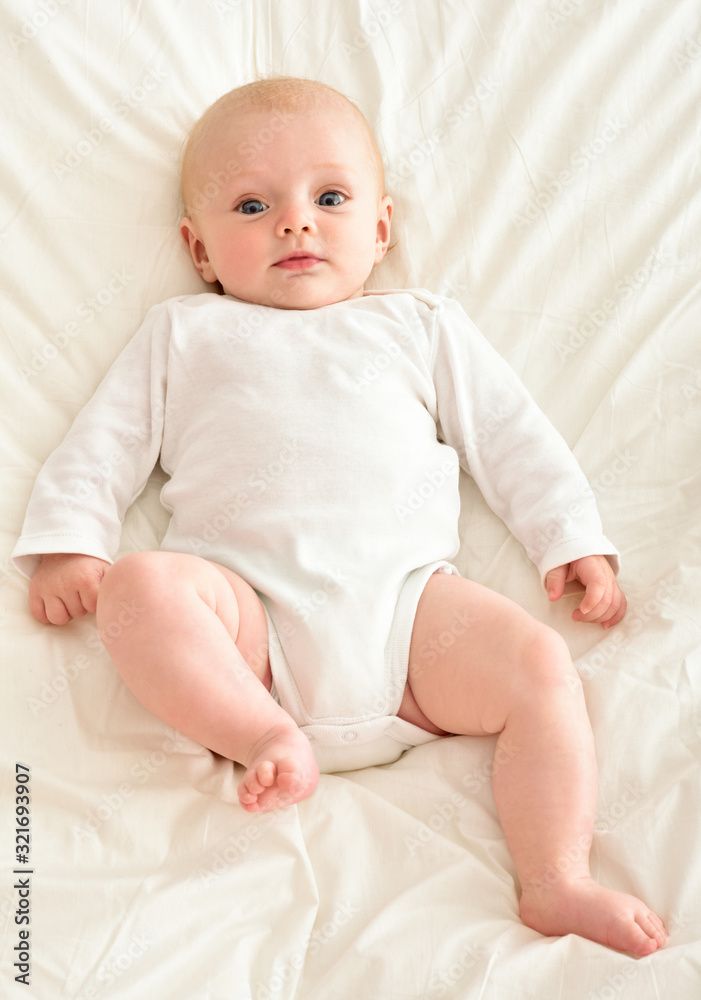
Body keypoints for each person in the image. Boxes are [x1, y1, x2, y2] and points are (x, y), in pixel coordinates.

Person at [13, 76, 667, 956]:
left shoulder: (419, 325)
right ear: (198, 249)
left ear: (382, 229)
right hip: (248, 634)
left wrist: (569, 536)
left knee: (540, 668)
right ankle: (263, 736)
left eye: (329, 197)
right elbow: (106, 441)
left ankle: (556, 877)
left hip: (409, 626)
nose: (295, 222)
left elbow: (512, 436)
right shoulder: (182, 334)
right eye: (252, 204)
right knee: (141, 587)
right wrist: (70, 541)